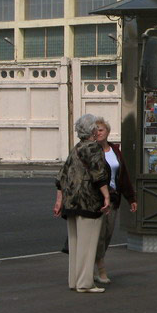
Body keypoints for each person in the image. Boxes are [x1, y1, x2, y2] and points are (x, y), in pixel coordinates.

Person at [54, 114, 111, 293]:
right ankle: (85, 283)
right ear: (92, 130)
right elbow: (99, 174)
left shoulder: (76, 148)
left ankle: (75, 281)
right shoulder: (93, 148)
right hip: (88, 201)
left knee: (76, 243)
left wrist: (59, 201)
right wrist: (107, 196)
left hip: (71, 202)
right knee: (88, 244)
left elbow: (61, 176)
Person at [92, 117, 137, 284]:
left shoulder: (115, 150)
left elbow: (123, 176)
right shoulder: (91, 151)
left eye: (101, 129)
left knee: (108, 233)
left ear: (107, 132)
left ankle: (97, 264)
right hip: (96, 200)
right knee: (97, 236)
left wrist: (131, 198)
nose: (98, 132)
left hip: (113, 199)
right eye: (95, 130)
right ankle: (98, 269)